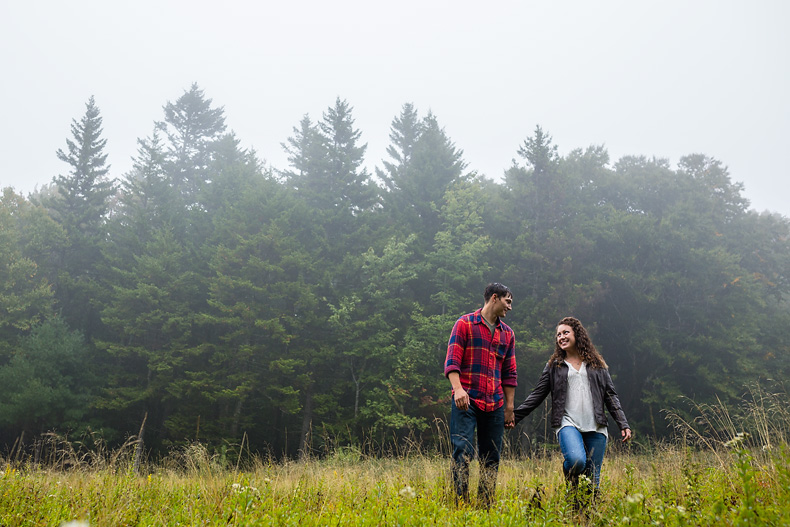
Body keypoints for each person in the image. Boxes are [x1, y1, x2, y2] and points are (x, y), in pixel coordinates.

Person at [513, 316, 631, 504]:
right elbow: (537, 395)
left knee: (592, 483)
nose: (561, 337)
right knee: (576, 461)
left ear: (578, 334)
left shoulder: (597, 365)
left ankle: (581, 516)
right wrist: (515, 416)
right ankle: (569, 474)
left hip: (597, 427)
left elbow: (610, 396)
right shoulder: (554, 366)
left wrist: (623, 423)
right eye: (558, 335)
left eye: (565, 332)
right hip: (568, 423)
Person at [444, 282, 518, 507]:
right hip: (466, 400)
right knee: (462, 452)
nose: (510, 307)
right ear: (494, 298)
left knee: (492, 458)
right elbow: (452, 360)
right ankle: (461, 504)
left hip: (494, 403)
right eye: (508, 301)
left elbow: (510, 373)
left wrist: (509, 407)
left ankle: (485, 506)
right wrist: (458, 389)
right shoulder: (465, 323)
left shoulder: (508, 334)